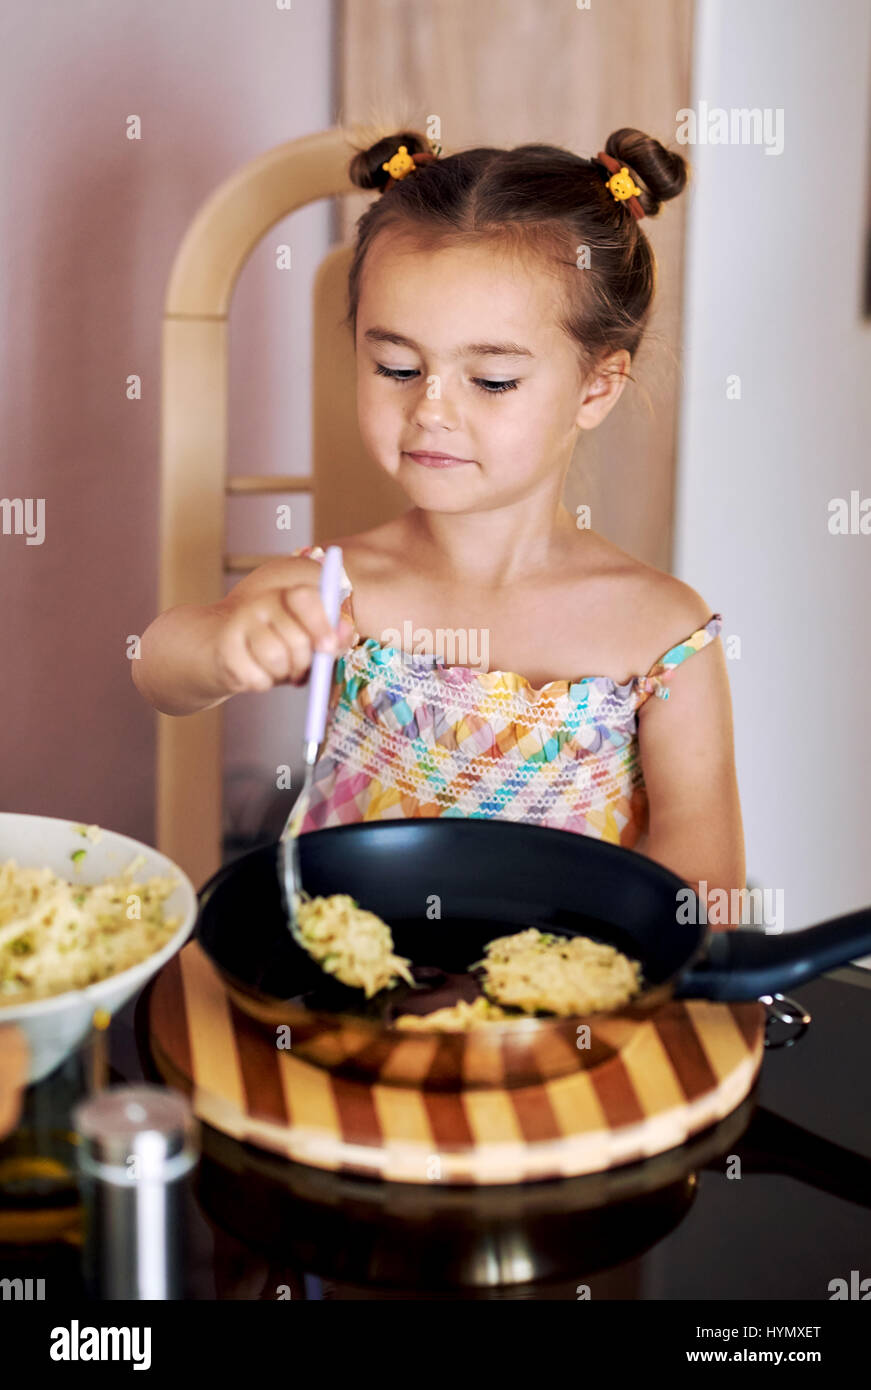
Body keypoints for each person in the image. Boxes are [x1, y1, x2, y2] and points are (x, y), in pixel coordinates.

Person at [133, 126, 745, 911]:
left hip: (571, 1018)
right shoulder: (341, 588)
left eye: (490, 380)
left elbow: (708, 886)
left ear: (595, 388)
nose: (430, 410)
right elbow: (155, 666)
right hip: (347, 1005)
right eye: (395, 367)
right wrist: (224, 648)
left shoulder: (661, 632)